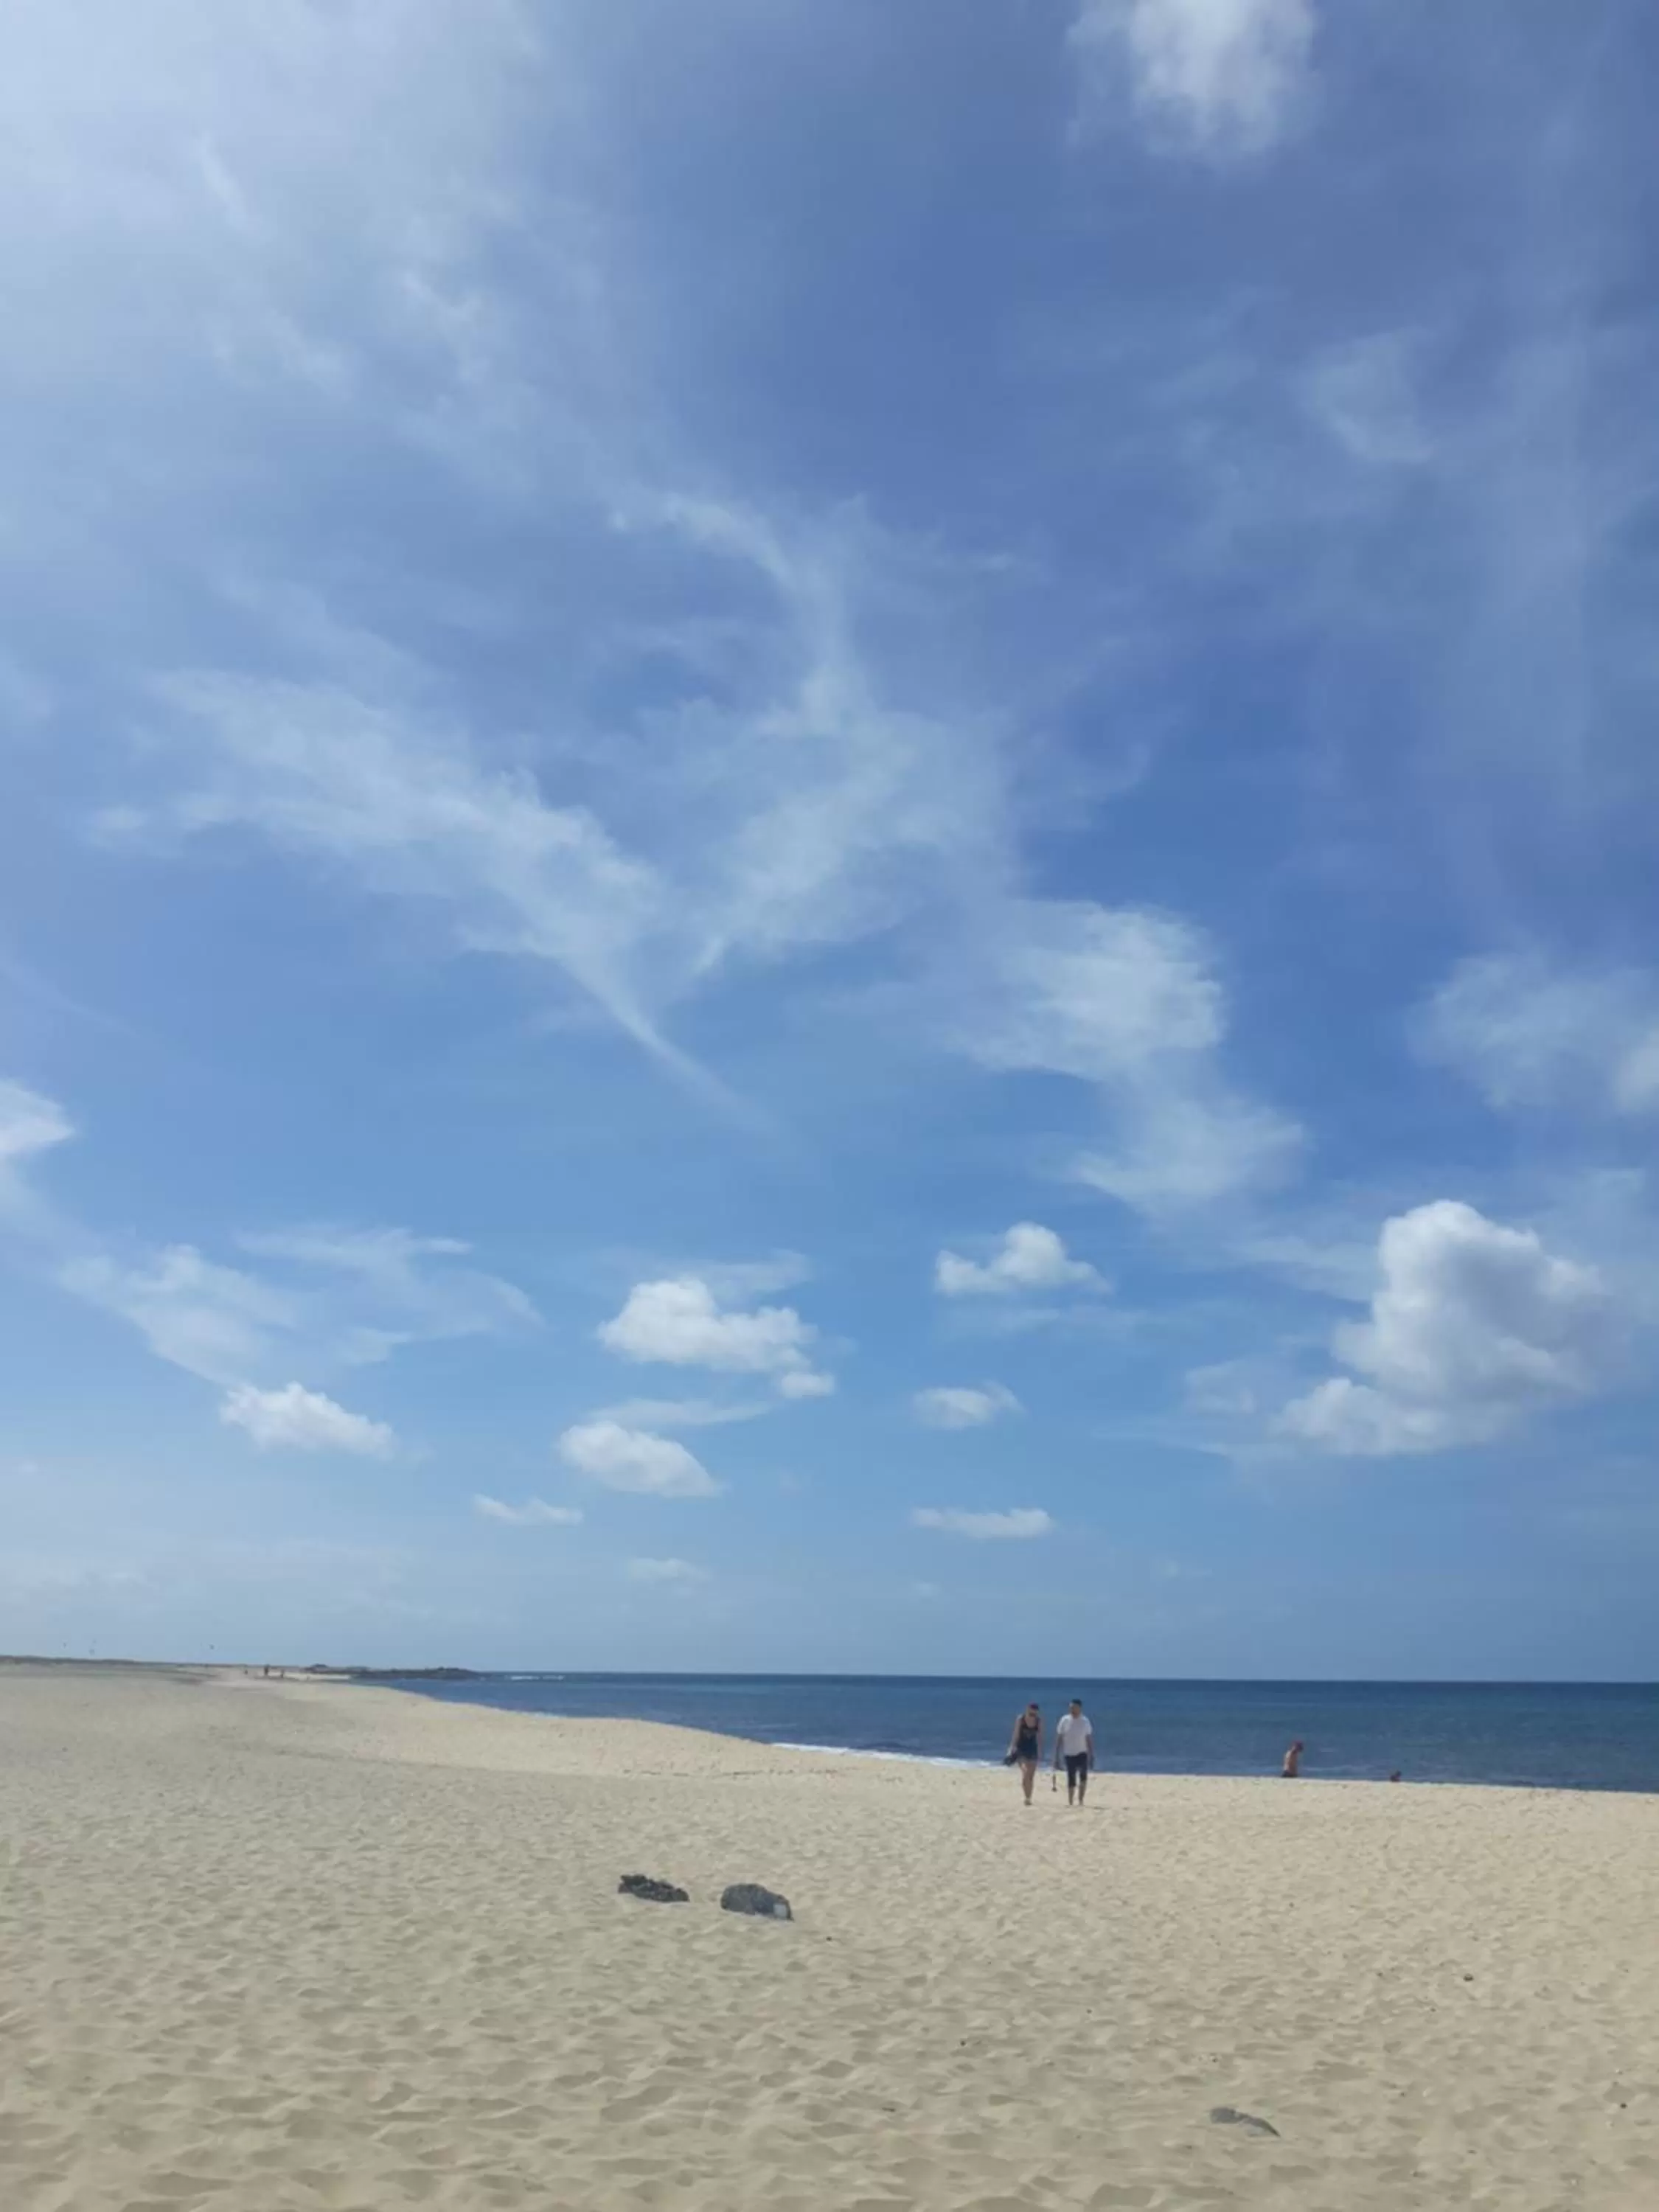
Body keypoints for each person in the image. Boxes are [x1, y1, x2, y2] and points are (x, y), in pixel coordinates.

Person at [1054, 1697, 1095, 1805]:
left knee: (1083, 1778)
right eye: (1071, 1708)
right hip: (1069, 1753)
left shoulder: (1085, 1721)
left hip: (1082, 1752)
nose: (1072, 1710)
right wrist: (1056, 1754)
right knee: (1071, 1778)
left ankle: (1081, 1800)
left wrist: (1092, 1755)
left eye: (1074, 1708)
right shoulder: (1064, 1720)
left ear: (1080, 1708)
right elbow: (1059, 1737)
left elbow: (1089, 1739)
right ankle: (1071, 1801)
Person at [1006, 1702, 1043, 1804]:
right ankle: (1026, 1797)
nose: (1033, 1714)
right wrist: (1011, 1748)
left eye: (1035, 1712)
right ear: (1027, 1710)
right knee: (1025, 1773)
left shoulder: (1038, 1721)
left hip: (1032, 1749)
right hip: (1021, 1749)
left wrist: (1040, 1751)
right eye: (1031, 1712)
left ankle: (1029, 1797)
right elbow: (1016, 1735)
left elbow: (1040, 1737)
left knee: (1031, 1776)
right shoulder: (1020, 1719)